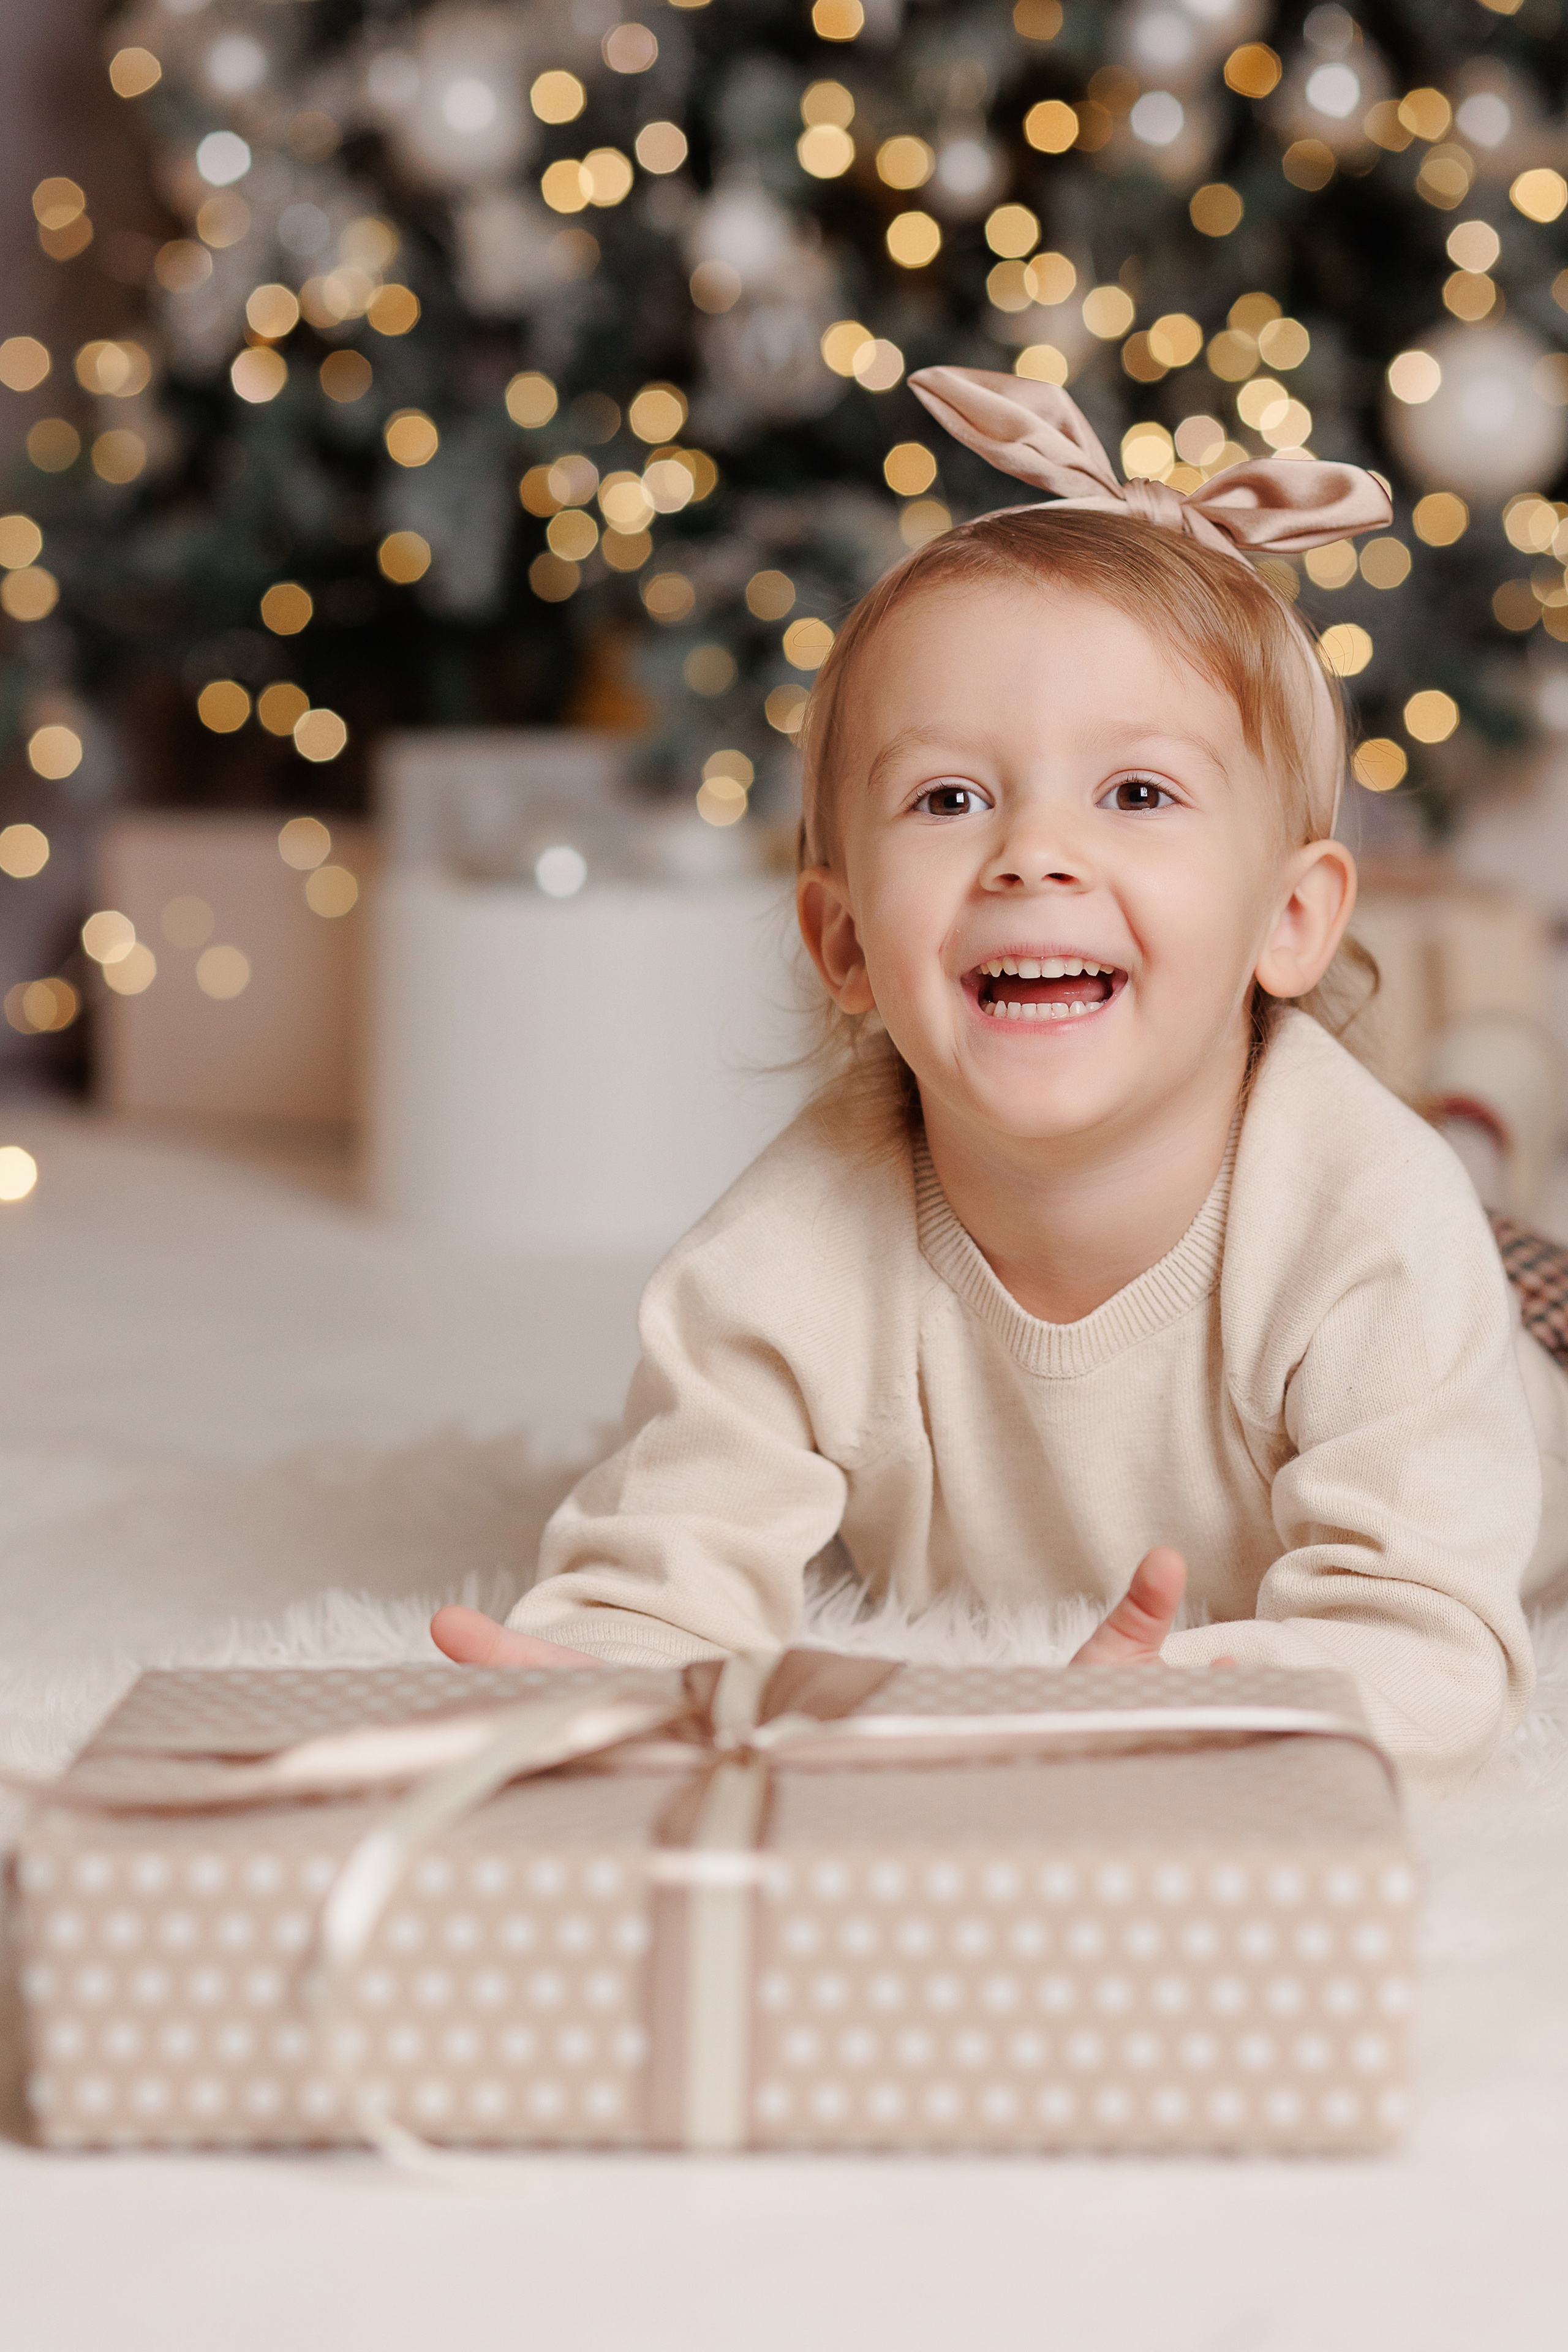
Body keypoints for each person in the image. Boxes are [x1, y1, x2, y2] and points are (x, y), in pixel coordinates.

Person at [433, 367, 1566, 1785]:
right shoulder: (783, 1255)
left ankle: (1480, 1113)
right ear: (843, 939)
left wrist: (1178, 1697)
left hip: (1513, 1352)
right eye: (948, 798)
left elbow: (1423, 1642)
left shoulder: (1369, 1235)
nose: (1033, 853)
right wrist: (603, 1679)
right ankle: (1483, 1100)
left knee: (1469, 1204)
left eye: (1135, 794)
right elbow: (670, 1562)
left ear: (1287, 920)